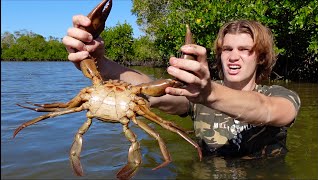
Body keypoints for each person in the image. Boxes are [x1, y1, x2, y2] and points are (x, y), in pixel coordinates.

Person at [63, 15, 300, 159]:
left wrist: (209, 93)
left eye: (245, 50)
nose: (233, 57)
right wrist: (101, 63)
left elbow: (267, 109)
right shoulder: (194, 99)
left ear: (260, 57)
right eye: (227, 49)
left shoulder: (279, 96)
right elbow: (145, 89)